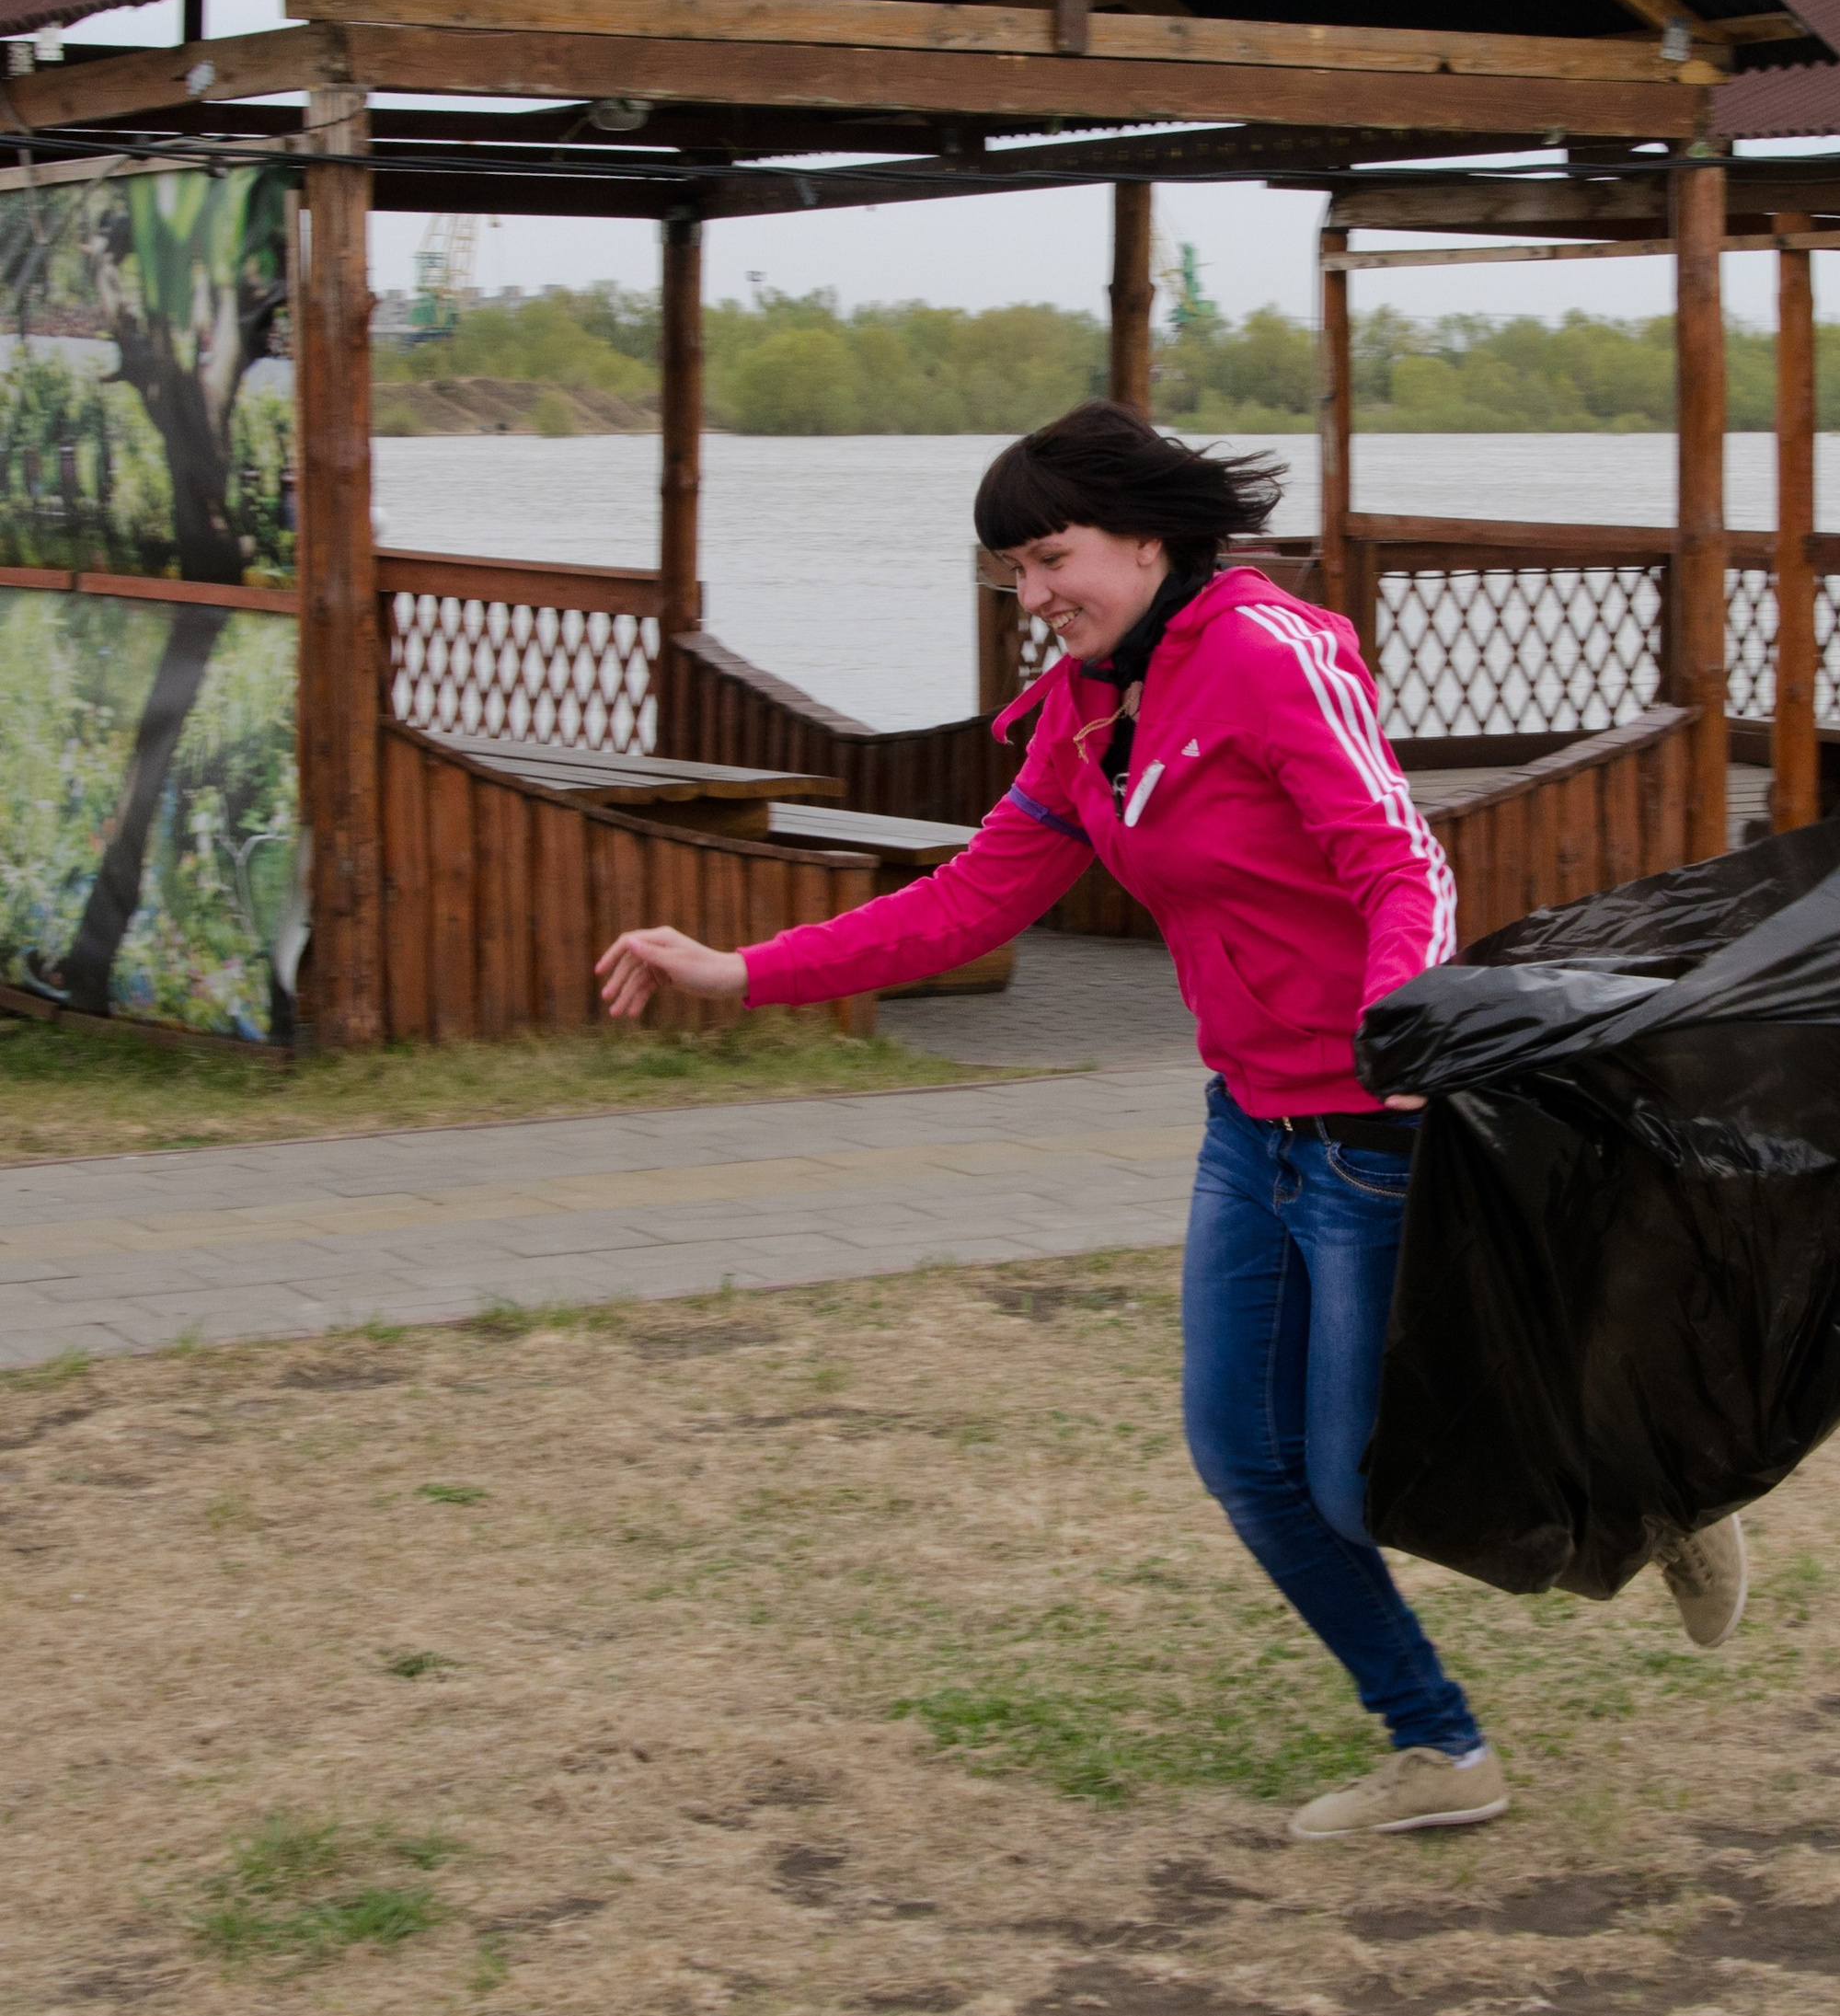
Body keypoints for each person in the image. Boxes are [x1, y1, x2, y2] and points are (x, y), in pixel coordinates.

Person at [597, 401, 1745, 1840]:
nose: (1033, 597)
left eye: (1052, 557)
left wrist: (1402, 1025)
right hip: (1249, 1126)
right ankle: (1440, 1749)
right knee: (1248, 1466)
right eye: (1010, 572)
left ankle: (1650, 1497)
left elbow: (1399, 856)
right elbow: (969, 901)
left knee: (1353, 1472)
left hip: (1373, 1128)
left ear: (1149, 536)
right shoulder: (1086, 715)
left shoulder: (1268, 656)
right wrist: (740, 970)